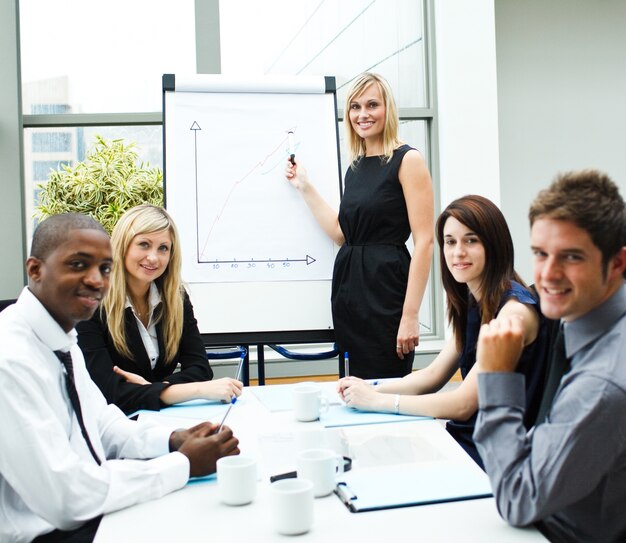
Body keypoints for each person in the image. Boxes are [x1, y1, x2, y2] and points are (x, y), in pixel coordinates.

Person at [0, 213, 239, 543]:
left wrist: (173, 439)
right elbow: (68, 498)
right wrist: (181, 465)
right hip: (51, 532)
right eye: (78, 264)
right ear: (35, 269)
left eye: (104, 268)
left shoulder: (60, 339)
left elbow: (104, 424)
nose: (97, 280)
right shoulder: (10, 358)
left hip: (91, 513)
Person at [338, 195, 549, 468]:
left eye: (471, 240)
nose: (457, 252)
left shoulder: (513, 313)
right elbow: (432, 376)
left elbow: (463, 404)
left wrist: (379, 400)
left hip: (493, 456)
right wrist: (367, 388)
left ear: (494, 245)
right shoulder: (473, 301)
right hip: (466, 439)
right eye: (450, 242)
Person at [473, 170, 626, 542]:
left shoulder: (601, 385)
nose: (547, 275)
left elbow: (517, 498)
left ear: (617, 263)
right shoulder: (581, 322)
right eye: (540, 254)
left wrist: (495, 379)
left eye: (571, 257)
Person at [285, 72, 434, 379]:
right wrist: (304, 186)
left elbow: (425, 242)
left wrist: (410, 315)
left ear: (387, 109)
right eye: (355, 106)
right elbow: (342, 234)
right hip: (351, 294)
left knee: (387, 390)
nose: (362, 114)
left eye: (372, 105)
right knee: (357, 390)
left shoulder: (408, 160)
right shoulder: (355, 167)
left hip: (387, 295)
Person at [77, 204, 242, 415]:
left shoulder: (176, 298)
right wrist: (192, 390)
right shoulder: (91, 303)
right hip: (110, 428)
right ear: (122, 246)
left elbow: (200, 368)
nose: (154, 257)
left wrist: (149, 388)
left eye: (163, 248)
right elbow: (107, 391)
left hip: (163, 419)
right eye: (144, 244)